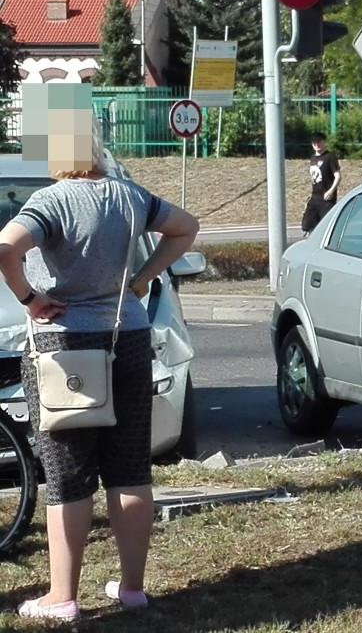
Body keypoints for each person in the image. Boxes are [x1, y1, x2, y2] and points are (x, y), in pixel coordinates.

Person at [0, 119, 199, 622]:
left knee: (68, 475)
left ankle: (62, 597)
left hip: (60, 350)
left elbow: (4, 249)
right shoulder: (129, 196)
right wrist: (142, 279)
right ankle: (132, 589)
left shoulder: (50, 202)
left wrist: (29, 297)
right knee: (131, 467)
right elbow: (186, 227)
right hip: (126, 339)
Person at [301, 132, 341, 234]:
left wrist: (331, 191)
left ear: (324, 142)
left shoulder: (330, 157)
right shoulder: (313, 158)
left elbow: (338, 176)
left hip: (326, 199)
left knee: (327, 227)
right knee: (308, 224)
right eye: (314, 143)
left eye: (319, 142)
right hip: (315, 197)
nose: (317, 145)